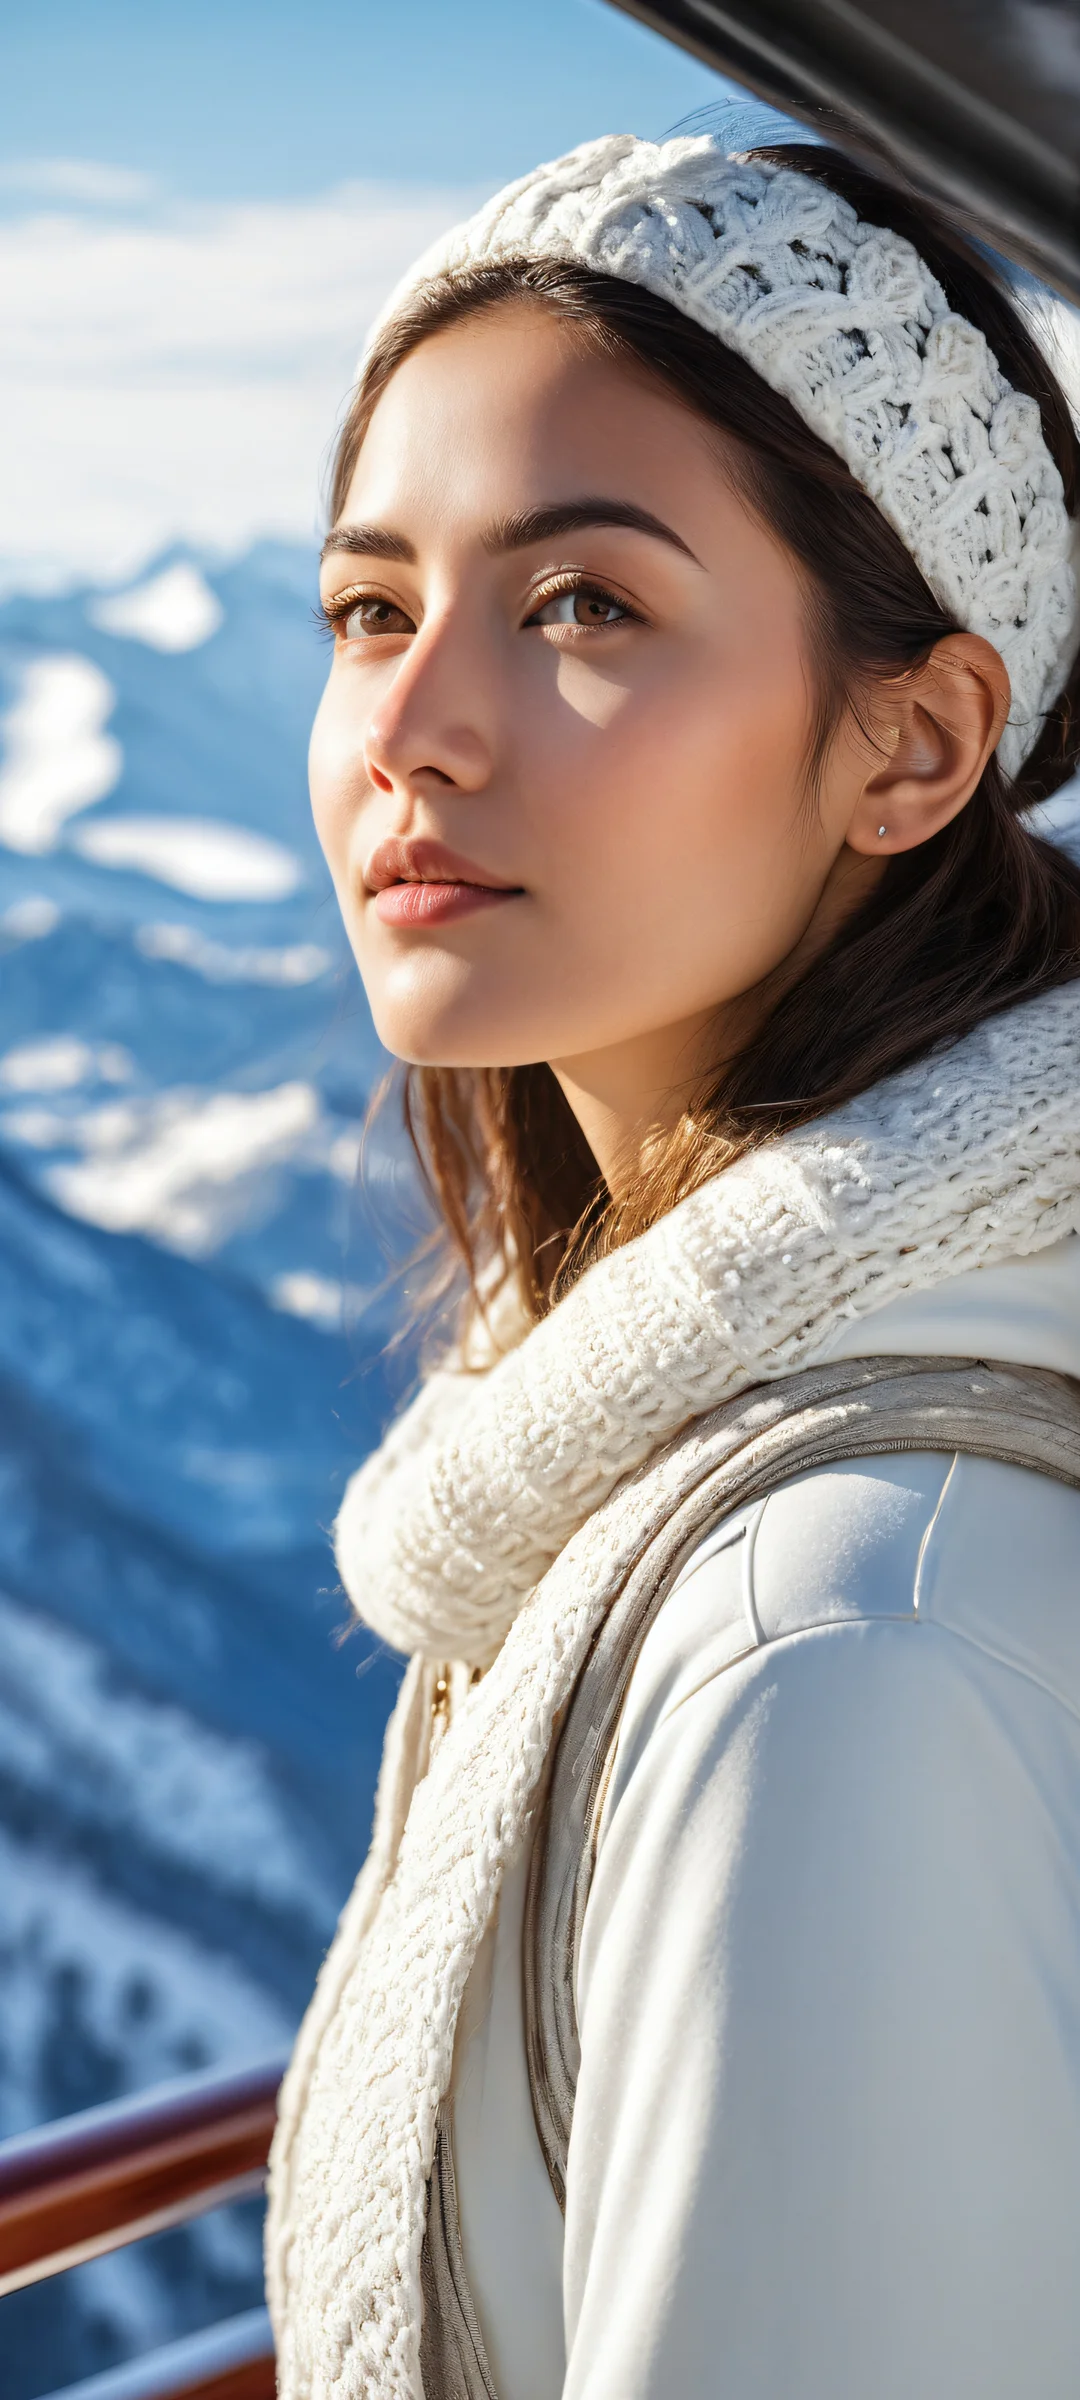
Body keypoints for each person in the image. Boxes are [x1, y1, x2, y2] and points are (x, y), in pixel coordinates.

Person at [266, 133, 1080, 2399]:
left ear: (912, 744)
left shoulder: (834, 1645)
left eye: (583, 607)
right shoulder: (731, 1502)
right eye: (368, 609)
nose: (410, 730)